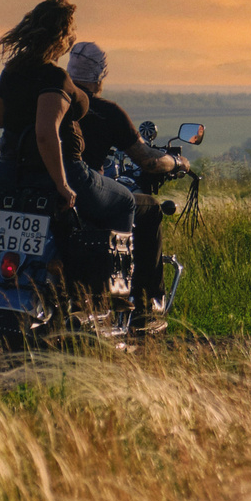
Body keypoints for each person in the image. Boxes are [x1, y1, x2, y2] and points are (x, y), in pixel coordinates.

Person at [0, 0, 140, 289]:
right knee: (125, 201)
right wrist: (62, 184)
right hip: (62, 171)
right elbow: (46, 133)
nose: (74, 36)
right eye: (72, 30)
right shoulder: (53, 76)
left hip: (8, 174)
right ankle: (115, 287)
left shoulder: (11, 71)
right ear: (62, 36)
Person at [63, 39, 179, 312]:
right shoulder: (106, 112)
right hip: (84, 190)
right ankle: (143, 300)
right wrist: (176, 162)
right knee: (148, 208)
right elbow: (147, 160)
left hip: (44, 186)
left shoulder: (49, 100)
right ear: (100, 75)